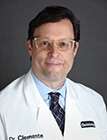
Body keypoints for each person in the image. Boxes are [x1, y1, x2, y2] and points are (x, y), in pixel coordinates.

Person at [0, 6, 107, 140]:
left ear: (74, 49)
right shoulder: (3, 107)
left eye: (63, 44)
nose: (54, 53)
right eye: (45, 43)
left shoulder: (95, 103)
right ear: (30, 47)